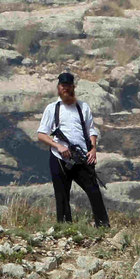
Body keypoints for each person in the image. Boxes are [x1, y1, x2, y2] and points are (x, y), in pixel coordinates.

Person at [36, 72, 109, 227]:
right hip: (59, 157)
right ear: (58, 87)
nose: (66, 89)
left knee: (94, 191)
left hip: (81, 157)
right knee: (62, 195)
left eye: (69, 85)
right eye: (63, 85)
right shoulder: (52, 108)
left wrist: (93, 149)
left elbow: (91, 131)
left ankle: (103, 226)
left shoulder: (83, 107)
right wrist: (58, 146)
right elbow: (41, 134)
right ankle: (65, 228)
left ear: (73, 87)